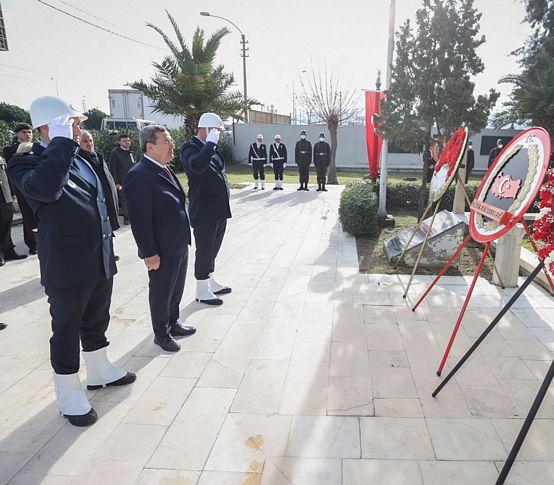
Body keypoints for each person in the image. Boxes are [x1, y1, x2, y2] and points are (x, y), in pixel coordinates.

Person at [8, 96, 135, 427]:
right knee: (65, 328)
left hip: (97, 256)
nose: (79, 129)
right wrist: (61, 144)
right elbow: (47, 191)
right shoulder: (26, 162)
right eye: (72, 124)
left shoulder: (79, 157)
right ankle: (68, 392)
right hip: (66, 264)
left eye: (77, 124)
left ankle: (99, 369)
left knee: (96, 319)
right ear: (49, 127)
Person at [124, 125, 196, 352]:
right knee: (161, 291)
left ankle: (173, 322)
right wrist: (149, 253)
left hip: (177, 242)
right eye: (167, 141)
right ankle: (161, 332)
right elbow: (139, 220)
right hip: (161, 248)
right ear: (150, 146)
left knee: (175, 288)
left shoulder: (164, 169)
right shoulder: (139, 175)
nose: (172, 145)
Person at [181, 112, 232, 305]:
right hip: (204, 210)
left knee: (213, 248)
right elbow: (198, 166)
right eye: (217, 130)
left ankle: (210, 280)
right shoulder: (190, 148)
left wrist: (212, 145)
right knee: (204, 249)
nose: (219, 134)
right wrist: (210, 144)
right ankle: (201, 289)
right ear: (206, 129)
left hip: (218, 209)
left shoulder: (213, 148)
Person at [78, 131, 121, 260]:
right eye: (85, 141)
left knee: (108, 228)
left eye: (90, 140)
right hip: (94, 201)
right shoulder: (79, 160)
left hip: (106, 198)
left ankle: (109, 253)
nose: (89, 144)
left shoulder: (97, 156)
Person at [3, 122, 38, 255]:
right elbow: (10, 171)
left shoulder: (37, 146)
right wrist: (13, 191)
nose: (28, 134)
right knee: (28, 214)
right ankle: (32, 243)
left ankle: (40, 240)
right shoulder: (10, 149)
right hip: (21, 186)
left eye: (29, 132)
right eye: (24, 132)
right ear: (17, 134)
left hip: (36, 183)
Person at [1, 153, 27, 267]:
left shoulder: (1, 157)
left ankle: (9, 251)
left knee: (6, 225)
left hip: (5, 196)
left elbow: (6, 175)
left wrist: (12, 193)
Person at [109, 134, 135, 225]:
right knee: (124, 199)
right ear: (119, 142)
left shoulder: (132, 152)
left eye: (128, 140)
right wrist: (116, 183)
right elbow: (113, 168)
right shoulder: (115, 153)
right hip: (122, 181)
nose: (127, 142)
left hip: (133, 180)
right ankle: (127, 218)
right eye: (124, 141)